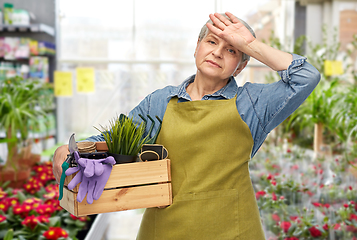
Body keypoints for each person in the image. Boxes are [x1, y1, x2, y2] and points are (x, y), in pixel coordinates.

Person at [53, 12, 320, 239]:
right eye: (211, 41)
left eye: (231, 50)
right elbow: (112, 141)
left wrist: (249, 44)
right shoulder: (160, 102)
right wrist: (67, 151)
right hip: (165, 230)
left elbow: (306, 77)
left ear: (241, 66)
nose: (217, 52)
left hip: (234, 230)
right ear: (197, 46)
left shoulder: (252, 103)